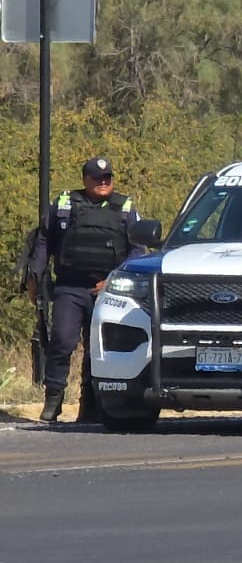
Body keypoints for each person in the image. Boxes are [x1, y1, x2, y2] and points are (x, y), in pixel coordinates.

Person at [26, 157, 146, 423]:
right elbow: (44, 240)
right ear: (85, 180)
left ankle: (90, 405)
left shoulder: (124, 208)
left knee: (97, 350)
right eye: (97, 178)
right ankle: (53, 399)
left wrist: (113, 279)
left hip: (107, 292)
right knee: (62, 342)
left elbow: (138, 251)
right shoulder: (65, 204)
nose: (104, 182)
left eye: (107, 178)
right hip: (70, 287)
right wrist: (35, 275)